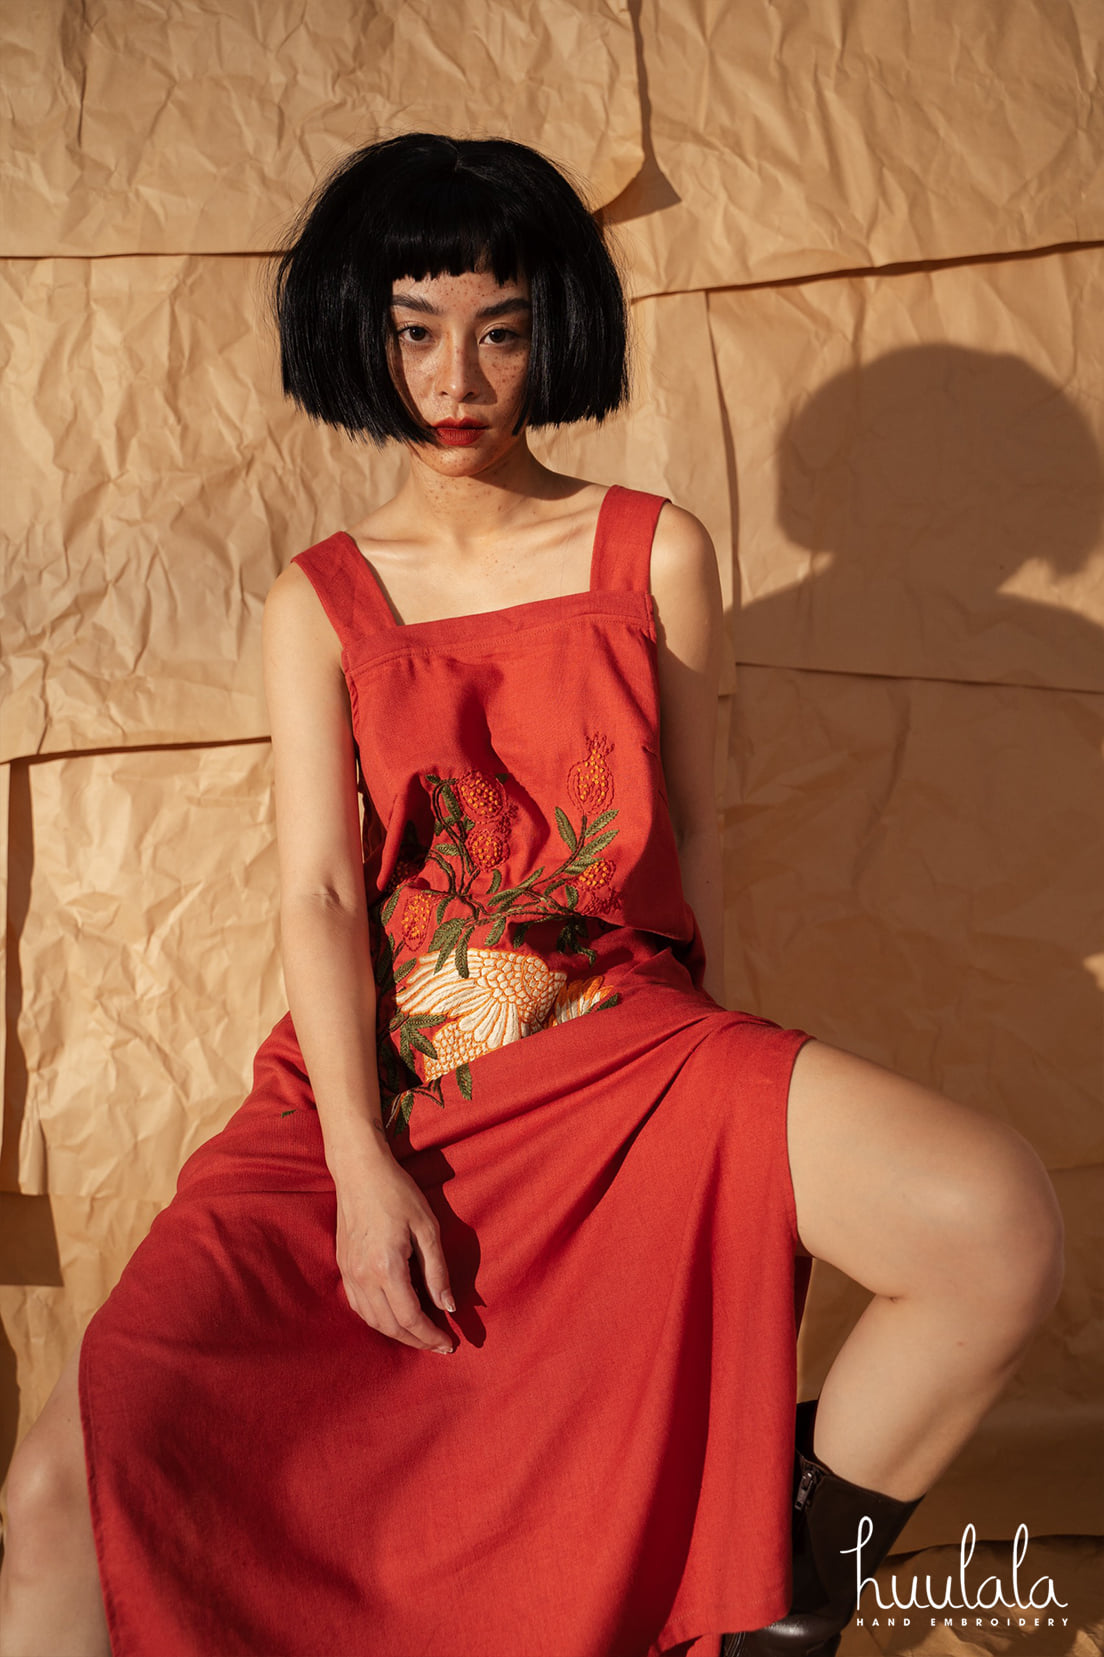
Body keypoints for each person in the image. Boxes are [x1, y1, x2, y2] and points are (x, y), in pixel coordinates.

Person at [0, 134, 1063, 1657]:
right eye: (415, 330)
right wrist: (365, 1171)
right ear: (358, 336)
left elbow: (698, 833)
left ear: (551, 328)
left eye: (497, 331)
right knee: (59, 1490)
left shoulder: (655, 551)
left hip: (625, 1039)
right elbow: (313, 890)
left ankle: (771, 1597)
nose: (457, 378)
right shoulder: (321, 596)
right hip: (378, 1078)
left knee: (994, 1224)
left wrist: (733, 1119)